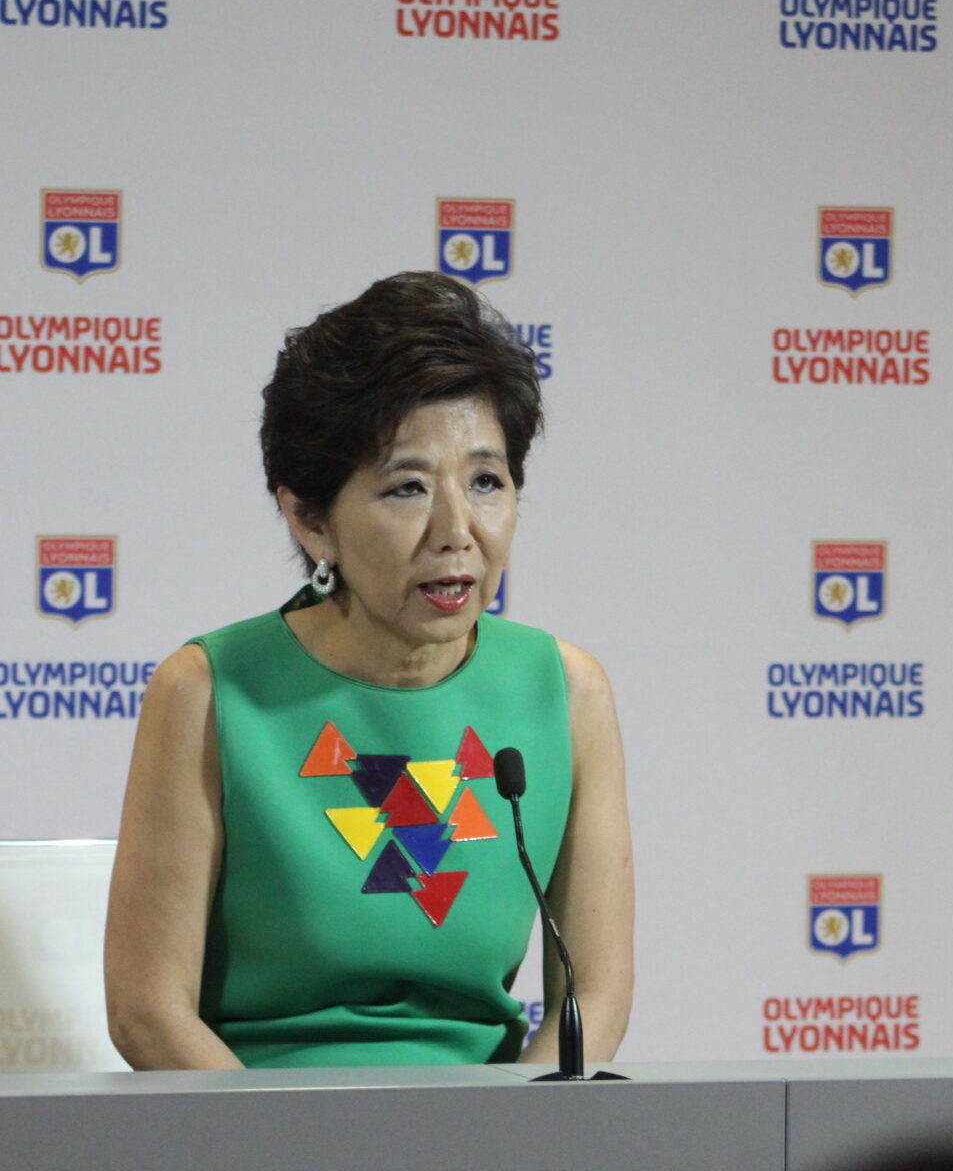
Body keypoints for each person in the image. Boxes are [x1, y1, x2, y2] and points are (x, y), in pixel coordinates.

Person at [103, 273, 633, 1069]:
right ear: (310, 519)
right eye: (407, 488)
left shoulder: (563, 692)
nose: (457, 531)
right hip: (252, 1132)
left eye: (486, 481)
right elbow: (147, 1013)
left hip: (485, 1136)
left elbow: (593, 996)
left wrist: (515, 1145)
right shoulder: (209, 692)